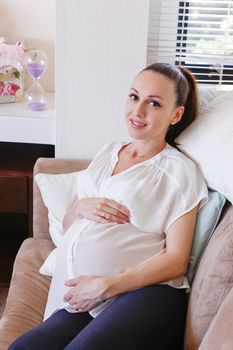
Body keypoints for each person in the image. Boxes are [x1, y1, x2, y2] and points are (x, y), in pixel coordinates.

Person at [9, 63, 208, 350]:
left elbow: (177, 259)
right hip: (89, 301)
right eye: (133, 96)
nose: (137, 111)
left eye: (153, 103)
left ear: (175, 114)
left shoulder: (179, 171)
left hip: (145, 294)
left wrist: (108, 285)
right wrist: (80, 207)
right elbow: (68, 227)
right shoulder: (108, 152)